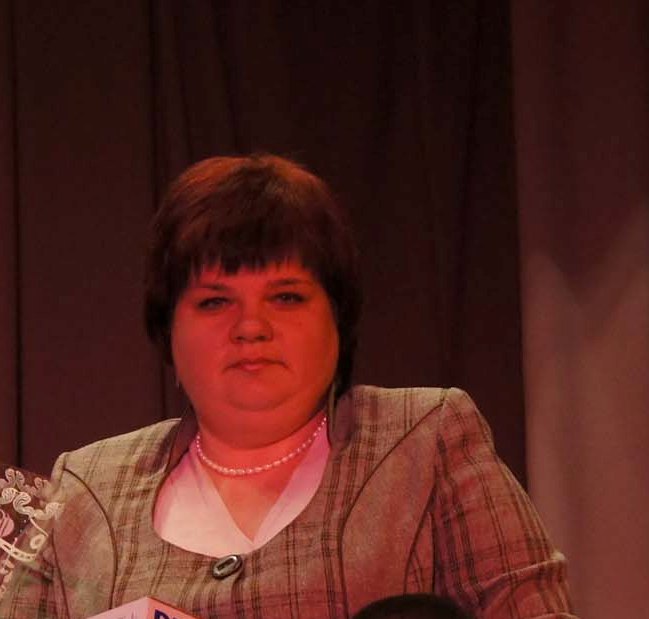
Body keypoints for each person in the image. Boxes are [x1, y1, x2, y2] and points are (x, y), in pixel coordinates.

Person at [4, 154, 577, 618]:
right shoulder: (87, 487)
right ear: (167, 329)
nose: (251, 327)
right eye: (215, 301)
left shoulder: (426, 441)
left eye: (286, 297)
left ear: (338, 318)